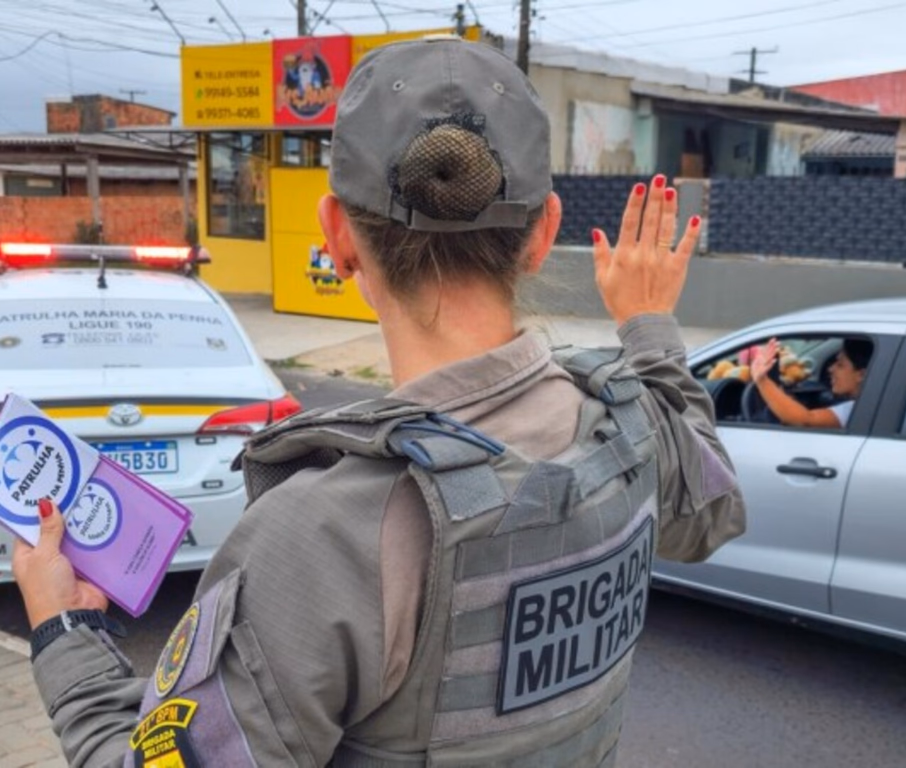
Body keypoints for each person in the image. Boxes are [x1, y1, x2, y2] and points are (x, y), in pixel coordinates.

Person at [14, 37, 745, 768]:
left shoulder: (322, 534)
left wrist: (64, 635)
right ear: (543, 234)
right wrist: (649, 326)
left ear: (337, 237)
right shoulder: (631, 426)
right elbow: (714, 511)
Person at [750, 337, 873, 428]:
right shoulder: (868, 406)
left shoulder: (858, 410)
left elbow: (805, 421)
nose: (831, 369)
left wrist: (762, 380)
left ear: (861, 375)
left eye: (840, 365)